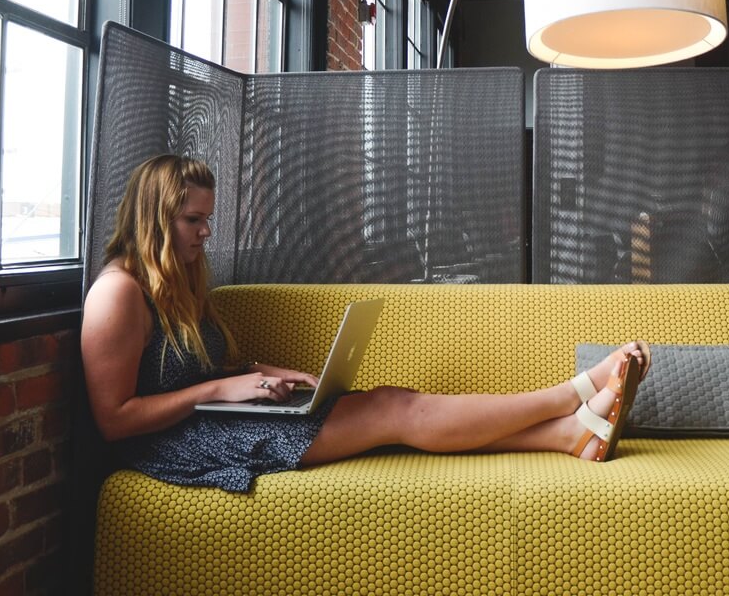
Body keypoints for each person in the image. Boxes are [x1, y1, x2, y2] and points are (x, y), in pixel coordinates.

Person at [80, 154, 650, 492]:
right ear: (154, 217)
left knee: (391, 402)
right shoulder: (117, 295)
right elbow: (114, 420)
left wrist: (258, 375)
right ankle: (568, 395)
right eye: (192, 220)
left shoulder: (179, 278)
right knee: (393, 409)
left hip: (214, 419)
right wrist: (219, 389)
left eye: (207, 218)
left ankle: (568, 435)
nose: (206, 233)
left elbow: (198, 370)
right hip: (179, 447)